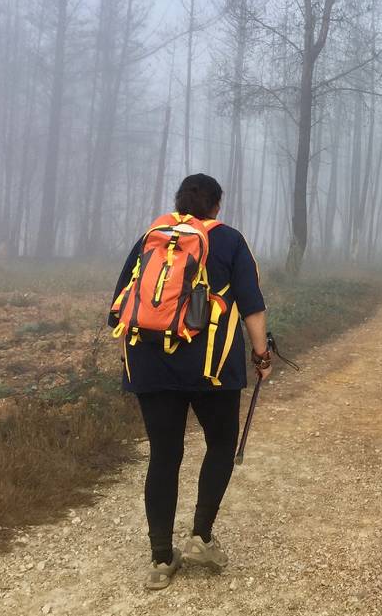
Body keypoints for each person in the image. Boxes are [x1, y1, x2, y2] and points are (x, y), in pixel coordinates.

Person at [109, 173, 271, 590]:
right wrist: (261, 355)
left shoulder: (153, 237)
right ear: (216, 205)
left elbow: (118, 306)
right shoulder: (230, 240)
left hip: (149, 362)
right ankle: (201, 537)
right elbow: (251, 305)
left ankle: (161, 560)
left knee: (164, 454)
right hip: (211, 367)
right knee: (219, 444)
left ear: (179, 203)